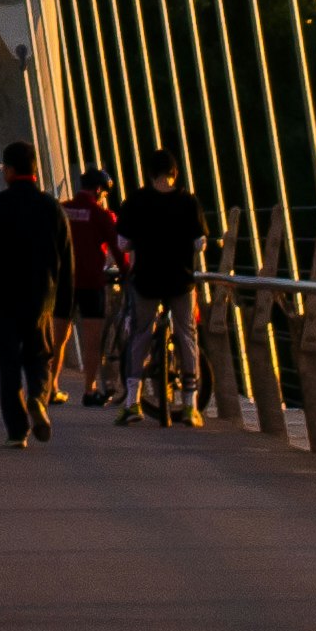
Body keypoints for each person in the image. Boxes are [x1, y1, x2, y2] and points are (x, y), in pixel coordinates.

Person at [0, 142, 73, 445]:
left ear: (10, 170)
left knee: (9, 362)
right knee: (39, 356)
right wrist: (65, 303)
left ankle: (17, 431)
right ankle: (39, 397)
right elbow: (66, 261)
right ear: (35, 171)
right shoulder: (52, 209)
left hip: (3, 297)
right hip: (42, 297)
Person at [115, 150, 210, 427]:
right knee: (186, 334)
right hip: (180, 280)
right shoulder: (188, 201)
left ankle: (133, 402)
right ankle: (191, 406)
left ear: (149, 173)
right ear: (175, 173)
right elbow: (199, 243)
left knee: (141, 334)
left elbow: (122, 244)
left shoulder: (136, 201)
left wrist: (140, 243)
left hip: (146, 279)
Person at [60, 166, 126, 412]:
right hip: (91, 282)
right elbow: (117, 249)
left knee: (59, 337)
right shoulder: (101, 215)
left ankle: (50, 387)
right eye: (105, 194)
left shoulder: (63, 209)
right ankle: (89, 390)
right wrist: (126, 272)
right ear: (99, 190)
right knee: (92, 340)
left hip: (64, 281)